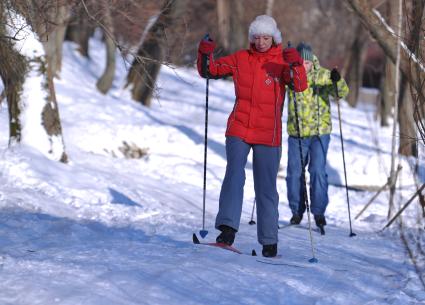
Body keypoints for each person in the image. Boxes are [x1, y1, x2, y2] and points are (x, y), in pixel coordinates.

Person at [197, 15, 308, 257]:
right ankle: (226, 232)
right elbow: (210, 70)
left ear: (274, 38)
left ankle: (269, 242)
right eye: (257, 37)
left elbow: (299, 86)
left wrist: (296, 64)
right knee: (234, 175)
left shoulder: (281, 62)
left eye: (266, 37)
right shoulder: (241, 58)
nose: (261, 42)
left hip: (268, 133)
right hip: (239, 127)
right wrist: (205, 53)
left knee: (266, 187)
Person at [286, 42, 349, 232]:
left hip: (320, 133)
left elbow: (342, 93)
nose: (304, 66)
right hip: (297, 133)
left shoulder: (323, 74)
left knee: (318, 171)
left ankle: (319, 211)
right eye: (300, 62)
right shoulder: (289, 75)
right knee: (294, 173)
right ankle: (297, 210)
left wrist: (337, 81)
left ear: (312, 62)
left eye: (307, 62)